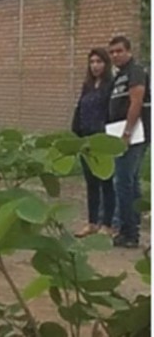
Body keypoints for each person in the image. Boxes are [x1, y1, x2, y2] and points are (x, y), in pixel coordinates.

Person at [107, 36, 150, 248]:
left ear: (129, 51)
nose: (115, 55)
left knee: (123, 182)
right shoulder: (120, 75)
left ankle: (129, 232)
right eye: (112, 52)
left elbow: (136, 102)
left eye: (119, 51)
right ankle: (131, 228)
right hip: (119, 133)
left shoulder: (135, 71)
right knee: (129, 182)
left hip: (133, 135)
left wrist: (126, 134)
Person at [71, 48, 114, 238]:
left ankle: (107, 223)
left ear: (106, 64)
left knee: (106, 181)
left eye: (99, 62)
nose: (95, 66)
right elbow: (80, 108)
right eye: (92, 62)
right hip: (86, 139)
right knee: (91, 182)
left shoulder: (110, 85)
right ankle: (92, 222)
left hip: (102, 139)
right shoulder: (87, 85)